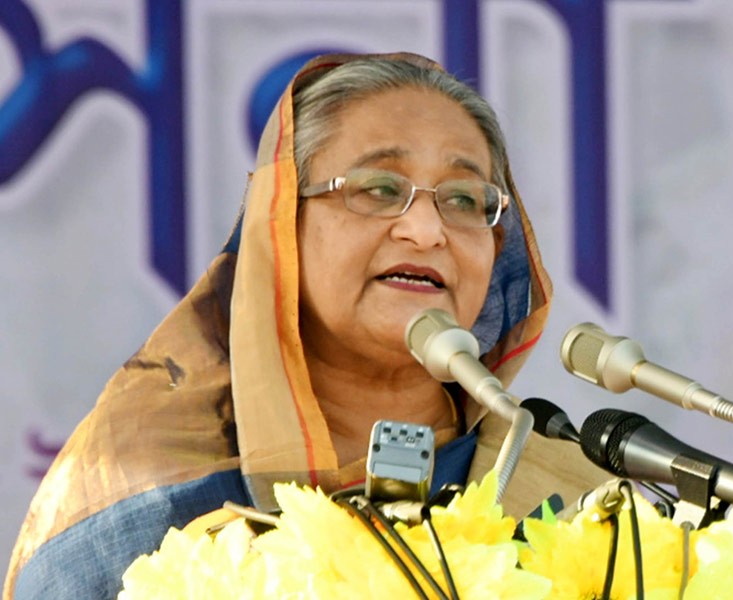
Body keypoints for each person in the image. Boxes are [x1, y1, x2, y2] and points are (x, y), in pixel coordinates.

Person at [4, 51, 607, 599]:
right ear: (280, 229)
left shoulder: (582, 506)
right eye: (378, 187)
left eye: (464, 200)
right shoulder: (144, 510)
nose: (426, 230)